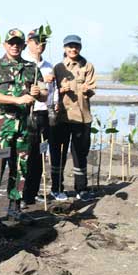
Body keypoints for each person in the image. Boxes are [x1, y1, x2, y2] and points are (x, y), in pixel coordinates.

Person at [0, 29, 47, 228]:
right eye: (11, 42)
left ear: (24, 45)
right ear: (5, 45)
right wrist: (16, 99)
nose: (14, 46)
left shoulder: (31, 68)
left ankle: (14, 207)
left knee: (20, 167)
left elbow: (43, 93)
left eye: (18, 42)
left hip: (24, 126)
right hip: (1, 126)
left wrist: (38, 92)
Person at [50, 34, 97, 202]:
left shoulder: (88, 66)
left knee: (80, 154)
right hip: (61, 118)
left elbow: (92, 89)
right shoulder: (58, 67)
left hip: (82, 118)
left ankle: (81, 189)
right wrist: (61, 90)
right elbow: (50, 92)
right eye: (69, 46)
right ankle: (56, 188)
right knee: (58, 154)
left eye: (76, 46)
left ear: (80, 48)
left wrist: (86, 89)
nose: (73, 49)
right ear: (64, 48)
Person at [22, 28, 55, 207]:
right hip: (28, 113)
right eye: (37, 42)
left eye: (43, 42)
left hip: (43, 113)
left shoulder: (48, 66)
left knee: (40, 154)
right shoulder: (24, 63)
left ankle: (32, 193)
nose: (40, 45)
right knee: (25, 154)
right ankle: (22, 193)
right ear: (28, 43)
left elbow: (52, 91)